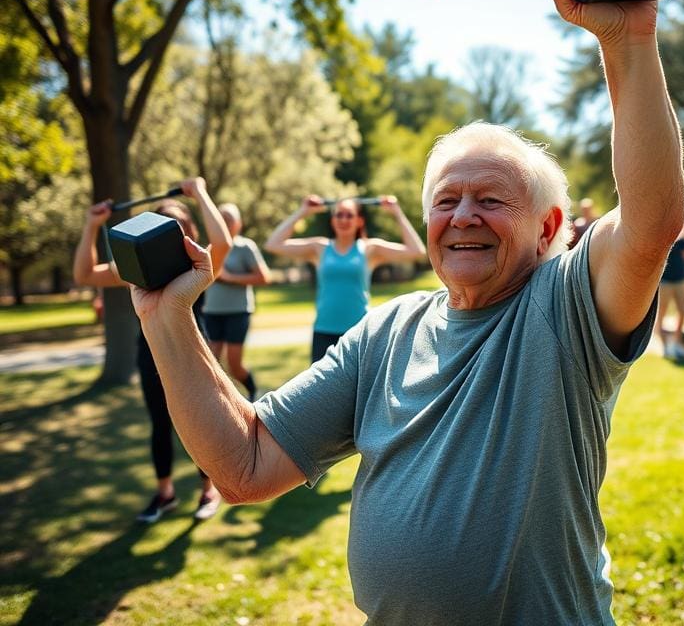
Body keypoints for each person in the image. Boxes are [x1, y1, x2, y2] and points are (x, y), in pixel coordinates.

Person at [127, 0, 684, 624]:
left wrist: (628, 42)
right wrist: (166, 318)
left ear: (547, 229)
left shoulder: (563, 303)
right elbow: (243, 465)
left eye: (492, 199)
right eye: (446, 201)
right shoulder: (386, 331)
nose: (464, 217)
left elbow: (652, 222)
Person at [72, 178, 231, 522]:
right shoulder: (135, 271)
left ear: (186, 231)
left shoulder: (199, 263)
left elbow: (223, 242)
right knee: (160, 423)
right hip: (150, 354)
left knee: (200, 423)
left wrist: (201, 193)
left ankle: (209, 489)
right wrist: (91, 224)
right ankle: (165, 494)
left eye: (176, 224)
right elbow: (84, 273)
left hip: (193, 350)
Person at [265, 195, 426, 363]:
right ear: (332, 220)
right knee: (323, 390)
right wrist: (302, 212)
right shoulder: (319, 248)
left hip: (359, 332)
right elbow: (273, 244)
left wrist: (397, 213)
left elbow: (416, 251)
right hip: (324, 331)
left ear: (359, 221)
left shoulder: (369, 249)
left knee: (359, 389)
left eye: (349, 215)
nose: (343, 219)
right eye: (339, 215)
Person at [203, 203, 271, 401]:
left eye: (229, 218)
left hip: (238, 311)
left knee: (234, 365)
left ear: (238, 224)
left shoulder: (245, 247)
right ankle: (220, 404)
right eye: (220, 217)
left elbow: (264, 277)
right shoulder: (210, 247)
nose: (224, 222)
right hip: (212, 312)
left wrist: (230, 277)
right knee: (212, 363)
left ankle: (252, 390)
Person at [655, 227, 684, 359]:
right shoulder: (662, 237)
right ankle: (664, 345)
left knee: (683, 310)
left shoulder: (683, 240)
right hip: (665, 281)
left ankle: (677, 342)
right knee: (661, 312)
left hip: (681, 280)